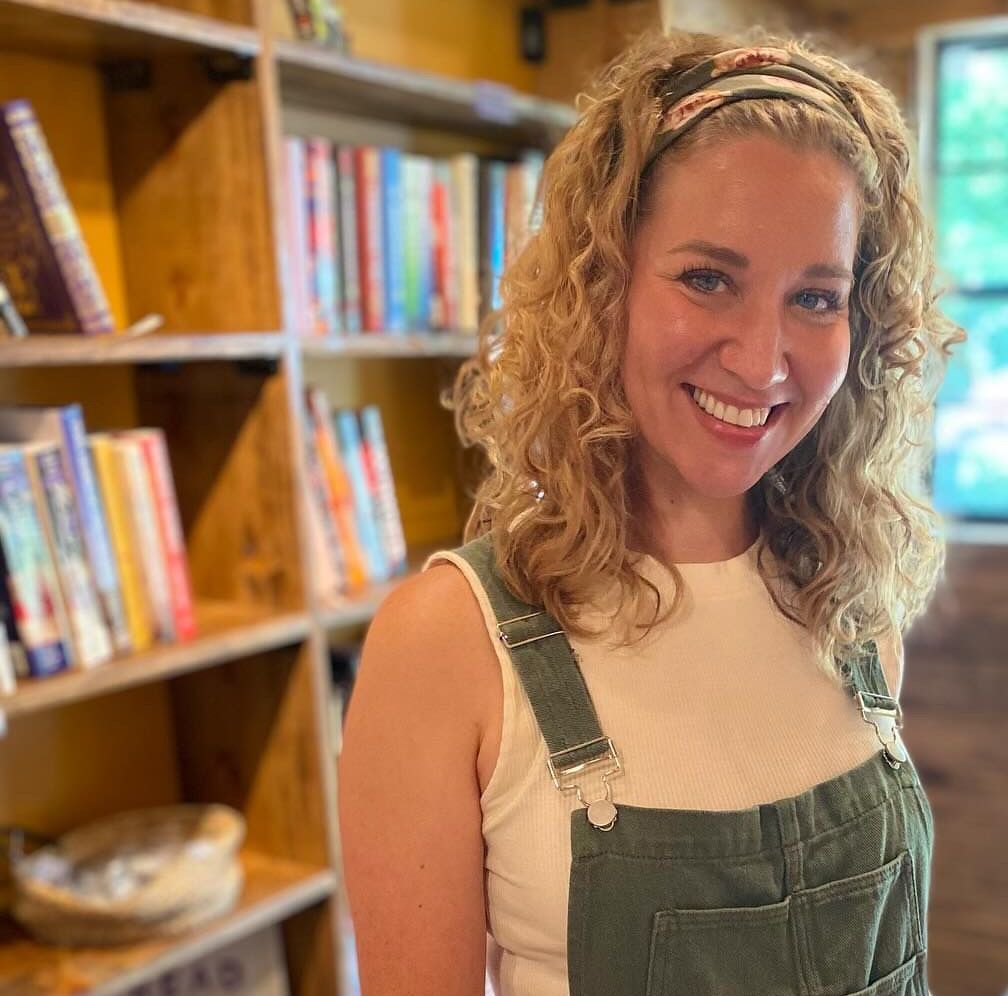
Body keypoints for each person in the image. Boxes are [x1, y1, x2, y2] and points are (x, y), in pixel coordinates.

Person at [338, 27, 962, 996]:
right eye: (708, 278)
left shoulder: (853, 604)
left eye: (815, 297)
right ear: (604, 285)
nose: (762, 362)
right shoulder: (448, 648)